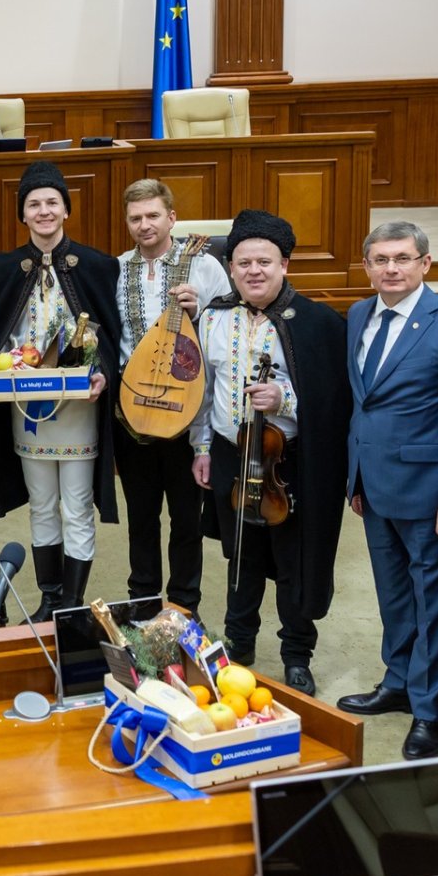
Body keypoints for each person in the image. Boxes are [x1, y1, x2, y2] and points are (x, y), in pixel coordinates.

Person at [338, 220, 438, 760]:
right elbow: (363, 404)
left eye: (402, 258)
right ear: (367, 266)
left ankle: (430, 712)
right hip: (374, 487)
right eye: (381, 259)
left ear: (425, 263)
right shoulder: (358, 315)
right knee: (394, 596)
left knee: (436, 605)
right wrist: (356, 477)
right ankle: (400, 682)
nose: (391, 269)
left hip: (433, 496)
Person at [188, 210, 349, 698]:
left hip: (291, 458)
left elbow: (336, 400)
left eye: (264, 262)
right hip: (230, 452)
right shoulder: (212, 317)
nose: (253, 271)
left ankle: (296, 654)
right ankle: (239, 642)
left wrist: (285, 400)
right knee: (241, 552)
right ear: (231, 268)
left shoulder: (319, 322)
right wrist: (201, 447)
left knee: (292, 559)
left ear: (284, 265)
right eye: (243, 263)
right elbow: (203, 390)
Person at [0, 161, 121, 621]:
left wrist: (102, 372)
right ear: (22, 214)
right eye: (33, 204)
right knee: (42, 504)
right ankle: (49, 597)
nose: (43, 211)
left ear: (66, 210)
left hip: (79, 407)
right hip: (26, 405)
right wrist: (0, 362)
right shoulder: (3, 269)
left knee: (77, 505)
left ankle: (73, 605)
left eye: (51, 203)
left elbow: (112, 335)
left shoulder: (97, 265)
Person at [113, 178, 230, 620]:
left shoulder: (204, 266)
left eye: (153, 215)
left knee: (186, 518)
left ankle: (184, 605)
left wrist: (199, 312)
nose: (144, 225)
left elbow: (226, 329)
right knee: (141, 515)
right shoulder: (117, 268)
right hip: (133, 412)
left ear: (172, 218)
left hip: (187, 410)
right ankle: (143, 601)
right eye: (135, 218)